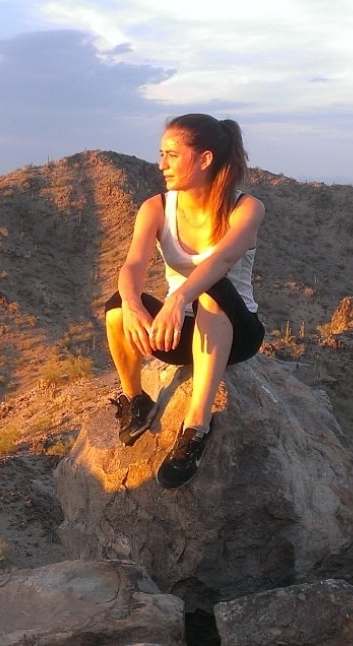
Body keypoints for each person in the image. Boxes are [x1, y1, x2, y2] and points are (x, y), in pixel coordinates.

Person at [105, 113, 265, 489]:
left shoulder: (247, 208)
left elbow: (221, 262)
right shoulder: (156, 207)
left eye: (172, 155)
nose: (162, 164)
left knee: (212, 289)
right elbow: (132, 265)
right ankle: (136, 400)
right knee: (115, 308)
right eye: (161, 154)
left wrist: (178, 298)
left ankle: (195, 429)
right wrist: (131, 303)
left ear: (205, 159)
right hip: (180, 332)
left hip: (235, 332)